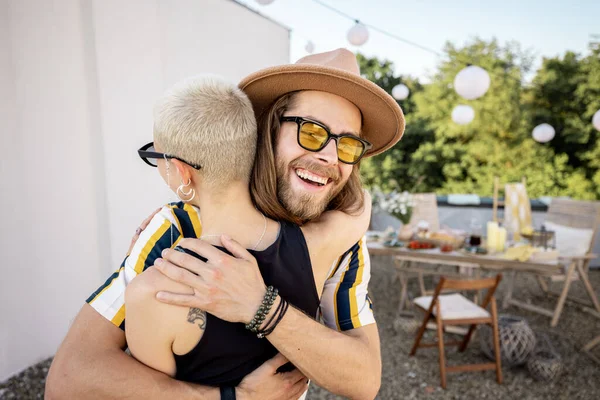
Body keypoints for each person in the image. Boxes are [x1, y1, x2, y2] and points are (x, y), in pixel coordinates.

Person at [46, 48, 405, 399]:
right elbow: (70, 376)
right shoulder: (176, 226)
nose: (329, 156)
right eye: (311, 132)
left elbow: (364, 379)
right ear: (270, 130)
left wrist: (263, 308)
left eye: (348, 146)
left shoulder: (346, 244)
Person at [122, 74, 371, 389]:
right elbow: (361, 205)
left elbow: (146, 393)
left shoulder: (151, 293)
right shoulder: (320, 242)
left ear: (182, 172)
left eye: (156, 158)